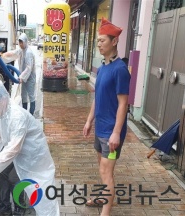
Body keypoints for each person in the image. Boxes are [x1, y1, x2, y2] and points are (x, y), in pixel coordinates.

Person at [0, 80, 59, 216]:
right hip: (19, 151)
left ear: (2, 99)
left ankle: (19, 208)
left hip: (32, 154)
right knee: (3, 173)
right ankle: (4, 207)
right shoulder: (1, 113)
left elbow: (14, 148)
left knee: (15, 178)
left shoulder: (17, 116)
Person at [82, 17, 130, 216]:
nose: (99, 44)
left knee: (105, 171)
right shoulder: (102, 68)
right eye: (98, 41)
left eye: (102, 41)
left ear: (114, 42)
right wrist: (89, 120)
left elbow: (123, 104)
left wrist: (116, 133)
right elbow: (98, 97)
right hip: (100, 128)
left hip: (111, 131)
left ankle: (106, 212)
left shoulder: (120, 70)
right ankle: (105, 197)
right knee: (103, 169)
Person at [2, 33, 36, 115]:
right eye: (19, 42)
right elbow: (13, 53)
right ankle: (25, 114)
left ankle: (31, 115)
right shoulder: (21, 50)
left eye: (22, 42)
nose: (20, 44)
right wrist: (3, 55)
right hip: (23, 77)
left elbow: (29, 68)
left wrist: (21, 77)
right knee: (23, 96)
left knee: (31, 96)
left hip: (30, 78)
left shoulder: (28, 53)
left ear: (25, 42)